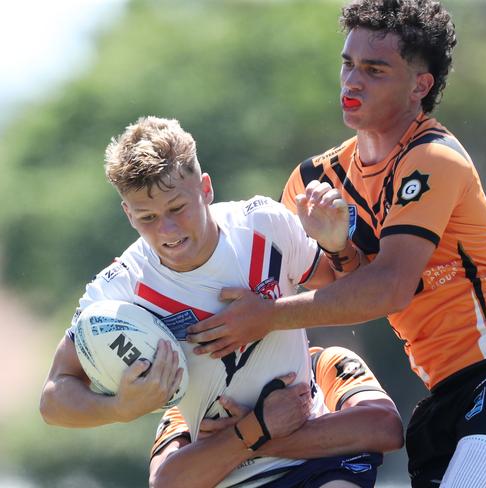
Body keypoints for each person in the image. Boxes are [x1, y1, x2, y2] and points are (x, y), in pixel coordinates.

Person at [184, 2, 486, 487]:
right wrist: (336, 249)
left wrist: (267, 315)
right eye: (348, 63)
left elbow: (389, 288)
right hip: (445, 397)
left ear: (420, 86)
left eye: (375, 70)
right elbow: (340, 292)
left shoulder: (433, 157)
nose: (352, 81)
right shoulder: (313, 179)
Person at [39, 116, 403, 487]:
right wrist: (118, 407)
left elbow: (350, 294)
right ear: (128, 214)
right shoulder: (119, 290)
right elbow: (53, 398)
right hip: (227, 476)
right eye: (147, 217)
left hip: (317, 463)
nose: (168, 230)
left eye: (177, 208)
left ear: (206, 189)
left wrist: (338, 246)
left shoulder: (263, 225)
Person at [150, 345, 399, 487]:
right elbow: (165, 483)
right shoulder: (195, 405)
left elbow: (386, 428)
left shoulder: (323, 361)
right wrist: (255, 429)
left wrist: (254, 435)